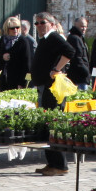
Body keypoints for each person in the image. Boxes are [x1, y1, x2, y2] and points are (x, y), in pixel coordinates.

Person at [30, 11, 74, 177]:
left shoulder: (54, 37)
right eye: (37, 23)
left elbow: (70, 52)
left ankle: (60, 165)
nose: (40, 25)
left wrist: (56, 69)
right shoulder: (45, 39)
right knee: (47, 125)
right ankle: (51, 163)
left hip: (51, 88)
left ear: (52, 24)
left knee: (53, 125)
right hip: (44, 87)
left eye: (43, 22)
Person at [0, 16, 35, 91]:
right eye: (12, 28)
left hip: (17, 79)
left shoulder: (23, 41)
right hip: (5, 77)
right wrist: (3, 57)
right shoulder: (3, 40)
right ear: (7, 29)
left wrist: (22, 82)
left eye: (17, 27)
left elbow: (27, 63)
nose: (15, 30)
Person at [66, 17, 91, 89]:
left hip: (81, 76)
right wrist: (85, 71)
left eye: (85, 26)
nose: (84, 28)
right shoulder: (74, 38)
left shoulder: (79, 37)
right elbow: (77, 57)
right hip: (78, 76)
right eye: (82, 26)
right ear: (75, 25)